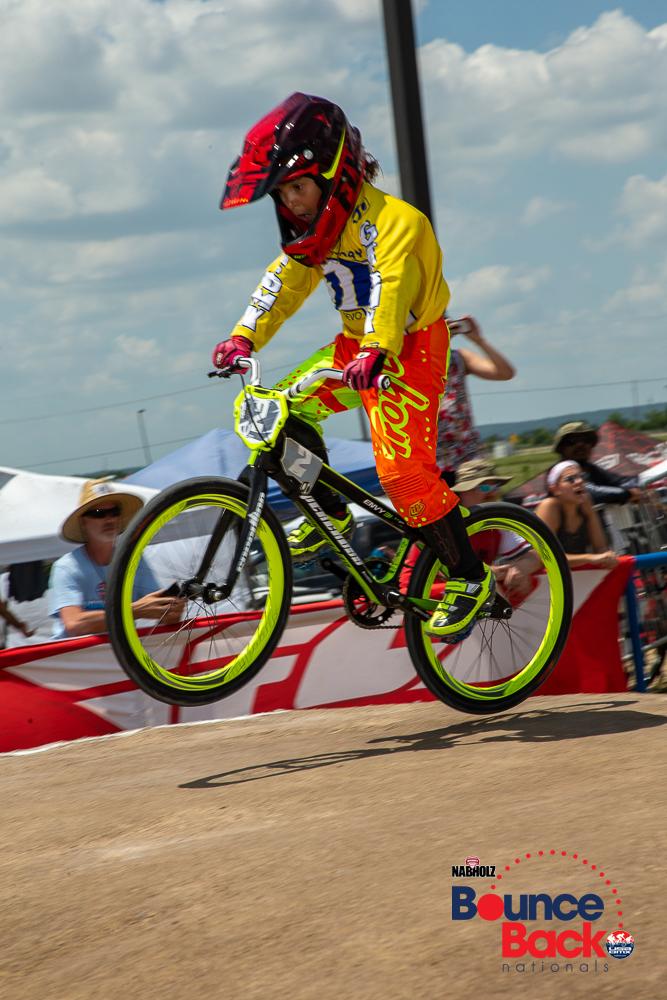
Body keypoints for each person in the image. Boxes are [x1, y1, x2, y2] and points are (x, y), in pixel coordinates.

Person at [213, 92, 494, 640]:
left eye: (297, 187)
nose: (291, 202)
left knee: (402, 474)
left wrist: (378, 348)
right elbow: (285, 283)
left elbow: (391, 285)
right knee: (271, 418)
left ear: (333, 173)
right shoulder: (315, 232)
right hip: (354, 349)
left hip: (410, 351)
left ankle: (470, 577)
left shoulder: (397, 222)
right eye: (281, 193)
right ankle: (332, 515)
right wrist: (243, 333)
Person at [49, 479, 184, 639]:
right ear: (83, 522)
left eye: (115, 512)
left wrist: (172, 610)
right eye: (99, 513)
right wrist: (134, 610)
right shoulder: (66, 567)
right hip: (75, 653)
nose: (110, 519)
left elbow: (162, 614)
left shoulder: (134, 560)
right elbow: (74, 625)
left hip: (116, 649)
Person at [436, 317, 515, 482]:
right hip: (434, 460)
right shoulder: (411, 362)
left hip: (466, 457)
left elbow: (504, 372)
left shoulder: (458, 357)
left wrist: (478, 340)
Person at [535, 461, 618, 569]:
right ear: (555, 489)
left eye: (582, 477)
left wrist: (608, 558)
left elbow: (600, 548)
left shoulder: (585, 502)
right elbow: (546, 557)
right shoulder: (549, 506)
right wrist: (589, 558)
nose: (579, 481)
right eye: (570, 479)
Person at [553, 421, 641, 506]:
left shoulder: (591, 469)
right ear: (560, 448)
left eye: (586, 440)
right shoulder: (559, 474)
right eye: (572, 441)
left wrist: (632, 488)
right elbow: (587, 492)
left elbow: (624, 478)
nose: (580, 445)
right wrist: (627, 494)